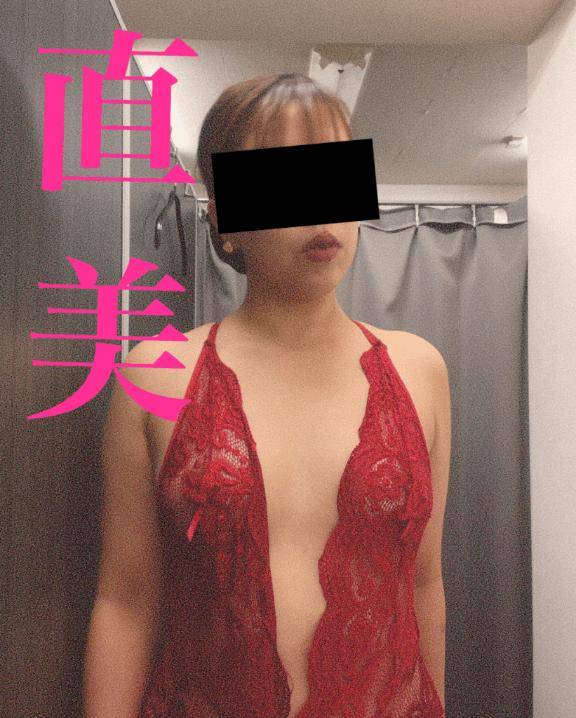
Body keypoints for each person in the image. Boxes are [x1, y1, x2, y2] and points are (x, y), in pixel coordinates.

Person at [83, 72, 450, 718]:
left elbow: (423, 584)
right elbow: (127, 601)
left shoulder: (420, 371)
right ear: (226, 217)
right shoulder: (156, 378)